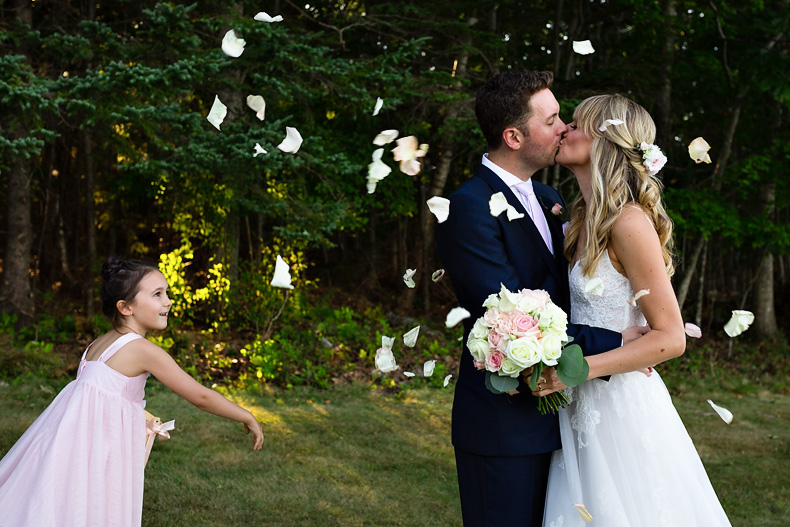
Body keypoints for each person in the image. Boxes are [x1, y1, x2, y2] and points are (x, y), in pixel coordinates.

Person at [437, 71, 644, 527]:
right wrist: (617, 339)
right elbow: (511, 317)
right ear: (513, 136)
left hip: (568, 415)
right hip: (503, 422)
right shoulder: (468, 207)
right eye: (552, 121)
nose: (564, 130)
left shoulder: (552, 198)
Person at [536, 94, 731, 526]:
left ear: (607, 141)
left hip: (619, 408)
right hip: (573, 404)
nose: (564, 129)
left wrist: (577, 370)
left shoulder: (629, 223)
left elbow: (670, 337)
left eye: (577, 123)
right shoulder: (578, 222)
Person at [0, 256, 264, 527]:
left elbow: (107, 396)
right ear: (126, 307)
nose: (168, 301)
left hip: (75, 443)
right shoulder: (142, 350)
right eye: (157, 294)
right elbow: (201, 396)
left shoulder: (98, 343)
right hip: (95, 448)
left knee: (62, 502)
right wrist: (245, 415)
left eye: (167, 293)